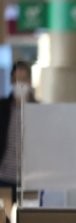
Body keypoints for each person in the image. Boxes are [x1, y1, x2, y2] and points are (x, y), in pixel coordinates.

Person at [0, 61, 36, 198]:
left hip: (29, 179)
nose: (19, 84)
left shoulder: (38, 110)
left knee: (29, 218)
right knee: (4, 218)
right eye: (16, 80)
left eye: (23, 79)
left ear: (30, 81)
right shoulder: (2, 108)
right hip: (4, 177)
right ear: (11, 81)